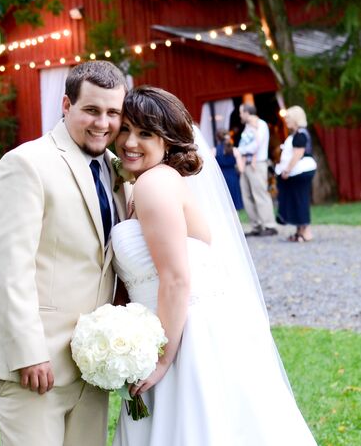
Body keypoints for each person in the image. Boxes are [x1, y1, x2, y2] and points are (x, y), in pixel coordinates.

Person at [110, 86, 315, 446]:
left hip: (185, 338)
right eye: (125, 128)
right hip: (194, 326)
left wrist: (162, 361)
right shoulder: (159, 181)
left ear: (168, 140)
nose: (130, 141)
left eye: (145, 133)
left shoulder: (154, 184)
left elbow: (175, 279)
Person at [0, 61, 129, 446]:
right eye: (91, 110)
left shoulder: (116, 169)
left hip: (91, 364)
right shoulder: (26, 164)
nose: (102, 123)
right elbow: (8, 269)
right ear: (66, 105)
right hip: (34, 366)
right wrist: (28, 353)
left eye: (113, 113)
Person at [276, 106, 317, 242]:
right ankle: (300, 231)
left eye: (288, 118)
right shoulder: (298, 134)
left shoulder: (300, 135)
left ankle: (306, 231)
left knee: (301, 199)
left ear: (295, 119)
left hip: (301, 171)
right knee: (298, 199)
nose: (286, 120)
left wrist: (287, 169)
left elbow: (297, 154)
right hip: (299, 171)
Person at [237, 103, 278, 236]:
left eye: (241, 112)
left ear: (247, 112)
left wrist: (239, 151)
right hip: (245, 164)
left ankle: (269, 225)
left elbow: (256, 145)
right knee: (247, 195)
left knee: (260, 194)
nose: (240, 115)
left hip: (257, 164)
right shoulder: (247, 127)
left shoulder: (261, 124)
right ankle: (256, 225)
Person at [214, 129, 244, 210]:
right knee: (233, 201)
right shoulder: (235, 150)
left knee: (223, 201)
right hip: (232, 176)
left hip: (220, 177)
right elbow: (241, 169)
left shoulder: (214, 150)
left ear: (217, 138)